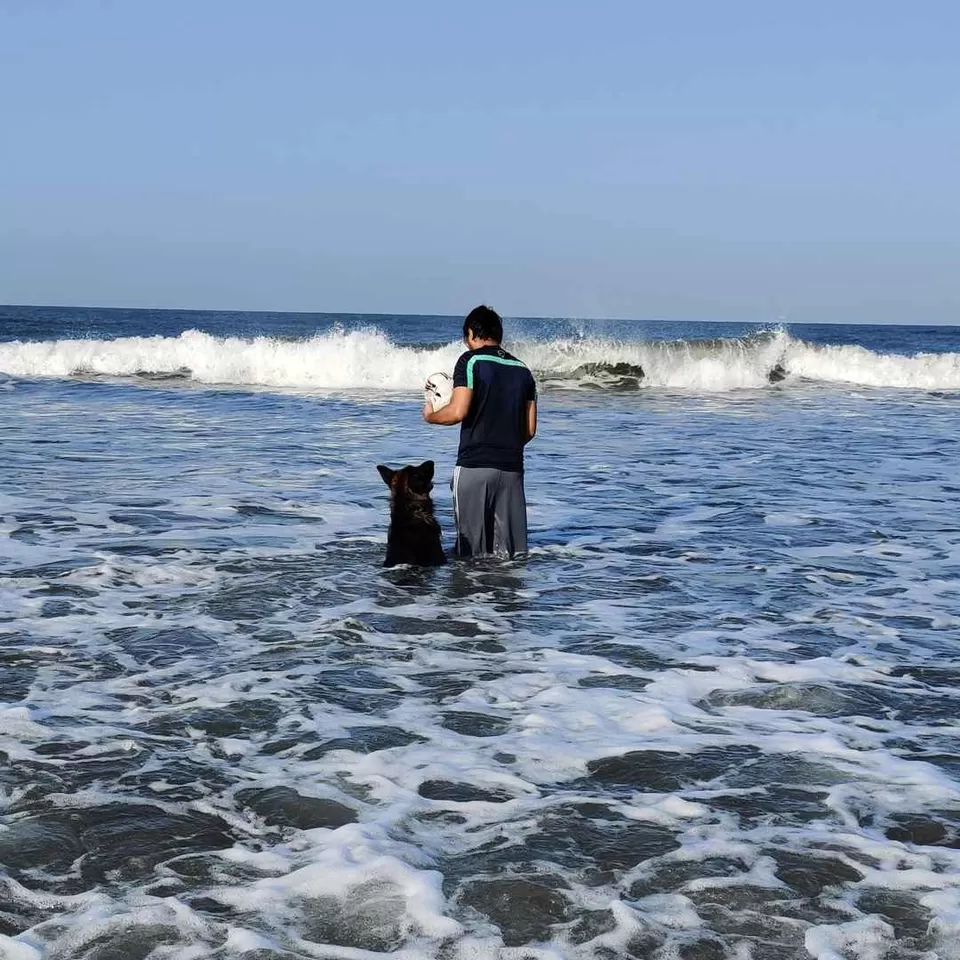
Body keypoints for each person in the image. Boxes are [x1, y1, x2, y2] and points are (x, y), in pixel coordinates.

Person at [422, 305, 537, 558]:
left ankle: (470, 598)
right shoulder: (524, 371)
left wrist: (431, 416)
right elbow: (529, 429)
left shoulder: (470, 361)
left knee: (469, 556)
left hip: (475, 467)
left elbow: (458, 411)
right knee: (509, 557)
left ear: (472, 334)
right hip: (512, 470)